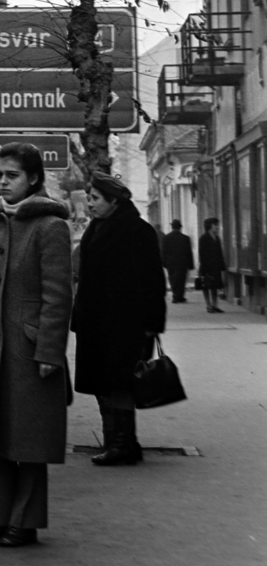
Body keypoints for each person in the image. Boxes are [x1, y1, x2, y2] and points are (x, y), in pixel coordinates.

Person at [0, 143, 72, 548]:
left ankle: (25, 522)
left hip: (28, 350)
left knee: (29, 442)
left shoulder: (51, 226)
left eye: (12, 176)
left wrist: (49, 353)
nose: (2, 182)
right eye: (0, 175)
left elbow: (58, 297)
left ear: (34, 179)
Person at [71, 171, 166, 467]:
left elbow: (153, 282)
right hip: (96, 324)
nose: (89, 203)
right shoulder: (96, 228)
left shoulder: (138, 231)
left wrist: (152, 325)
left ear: (114, 201)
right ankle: (115, 441)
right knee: (102, 384)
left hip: (126, 325)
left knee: (120, 384)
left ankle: (123, 444)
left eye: (95, 198)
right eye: (89, 197)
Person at [161, 219, 194, 304]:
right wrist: (191, 265)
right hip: (182, 263)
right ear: (180, 227)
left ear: (172, 227)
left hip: (170, 263)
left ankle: (175, 295)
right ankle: (179, 296)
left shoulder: (166, 238)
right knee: (181, 279)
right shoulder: (185, 238)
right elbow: (189, 252)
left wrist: (164, 263)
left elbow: (163, 251)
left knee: (173, 279)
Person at [197, 218, 226, 313]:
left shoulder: (217, 238)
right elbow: (202, 254)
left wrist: (222, 265)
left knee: (215, 286)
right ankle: (208, 305)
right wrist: (203, 267)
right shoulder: (203, 238)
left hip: (216, 266)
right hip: (207, 265)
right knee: (206, 285)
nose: (217, 227)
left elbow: (220, 253)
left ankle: (215, 305)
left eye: (217, 224)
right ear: (210, 226)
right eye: (215, 225)